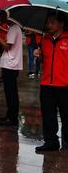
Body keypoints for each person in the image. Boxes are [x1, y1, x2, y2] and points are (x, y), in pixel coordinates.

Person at [35, 12, 68, 152]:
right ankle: (51, 142)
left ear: (61, 24)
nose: (49, 25)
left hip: (65, 85)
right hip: (47, 84)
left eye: (52, 22)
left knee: (66, 115)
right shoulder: (45, 40)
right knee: (48, 116)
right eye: (48, 23)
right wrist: (39, 56)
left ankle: (67, 142)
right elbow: (44, 61)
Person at [0, 11, 23, 126]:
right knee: (11, 92)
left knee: (10, 92)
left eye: (2, 15)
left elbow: (7, 46)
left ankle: (12, 118)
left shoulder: (13, 29)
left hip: (9, 65)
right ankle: (10, 115)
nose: (1, 17)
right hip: (13, 64)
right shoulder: (15, 28)